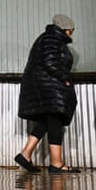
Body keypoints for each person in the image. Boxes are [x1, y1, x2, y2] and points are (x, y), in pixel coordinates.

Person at [14, 14, 80, 174]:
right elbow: (50, 61)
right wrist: (64, 77)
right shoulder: (51, 38)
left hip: (45, 84)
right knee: (55, 119)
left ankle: (25, 154)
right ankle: (56, 163)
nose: (71, 33)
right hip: (48, 85)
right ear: (65, 29)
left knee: (47, 119)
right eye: (71, 30)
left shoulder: (50, 38)